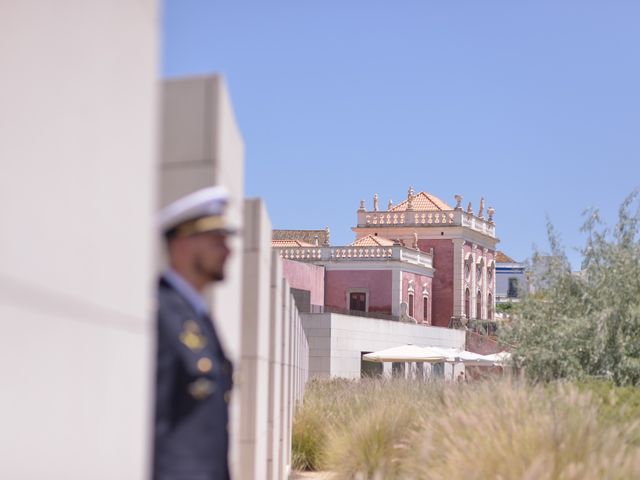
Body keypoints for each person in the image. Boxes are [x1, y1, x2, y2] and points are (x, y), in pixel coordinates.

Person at [153, 186, 235, 480]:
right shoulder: (159, 313)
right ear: (184, 244)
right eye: (217, 240)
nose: (229, 251)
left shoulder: (197, 317)